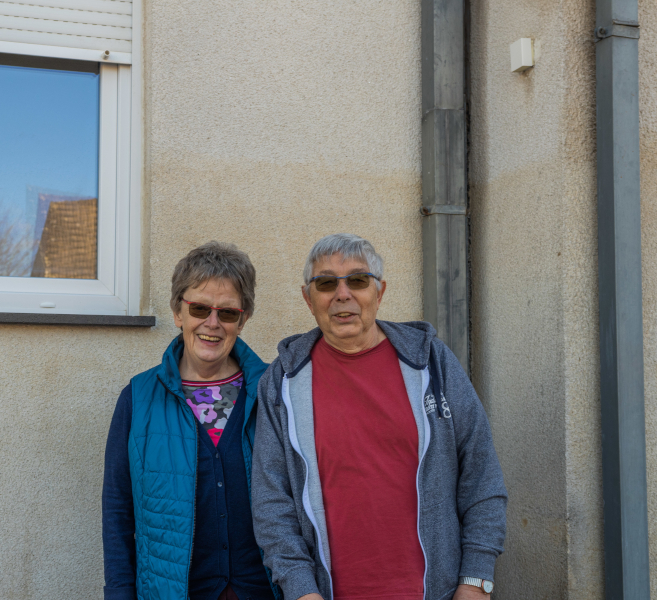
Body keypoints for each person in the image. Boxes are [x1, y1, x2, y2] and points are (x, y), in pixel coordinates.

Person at [251, 233, 507, 600]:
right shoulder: (282, 381)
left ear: (379, 292)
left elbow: (481, 476)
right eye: (325, 283)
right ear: (309, 299)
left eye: (357, 280)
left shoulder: (431, 362)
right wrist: (302, 592)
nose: (343, 295)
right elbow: (271, 503)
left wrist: (476, 581)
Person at [102, 241, 278, 600]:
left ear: (242, 320)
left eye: (227, 313)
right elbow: (118, 511)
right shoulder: (138, 399)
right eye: (199, 308)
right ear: (178, 311)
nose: (212, 324)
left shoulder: (273, 393)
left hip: (262, 591)